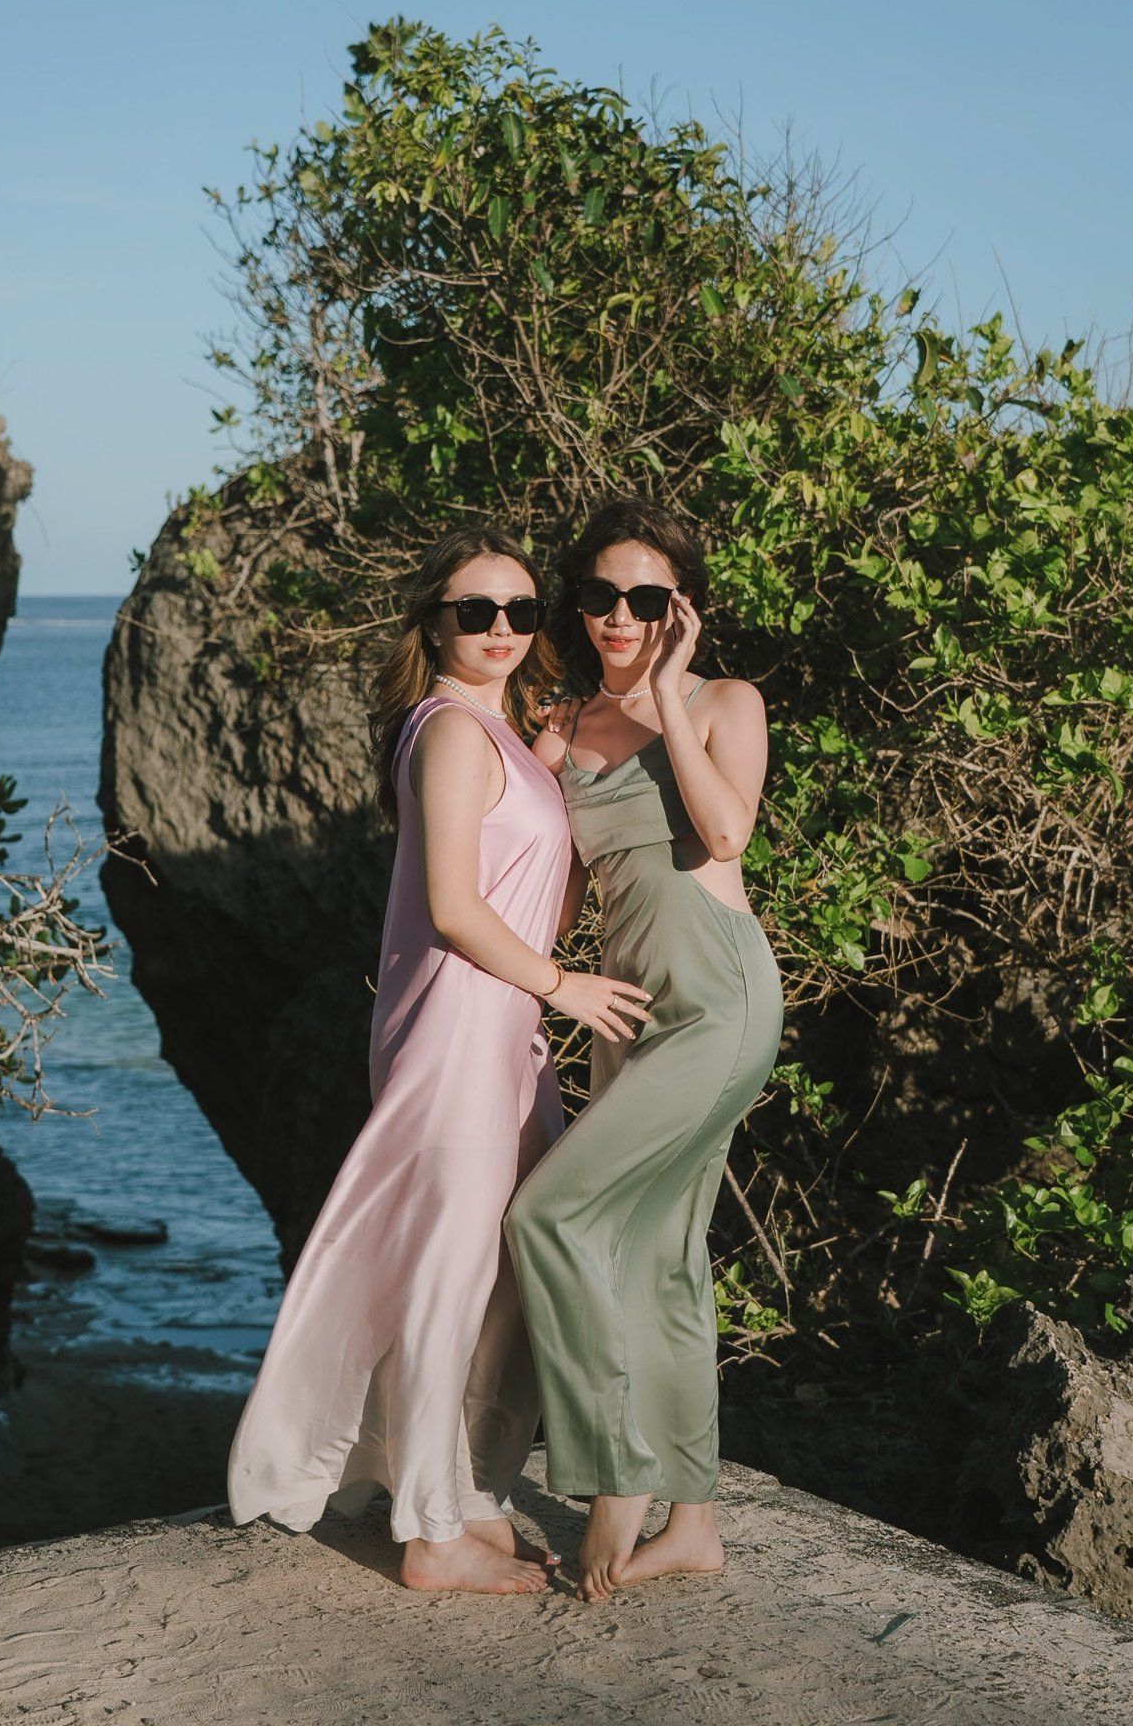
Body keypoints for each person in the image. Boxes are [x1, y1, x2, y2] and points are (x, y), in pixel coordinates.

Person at [226, 526, 650, 1594]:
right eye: (477, 613)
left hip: (502, 1027)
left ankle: (462, 1492)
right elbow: (458, 909)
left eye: (520, 612)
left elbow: (538, 905)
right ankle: (428, 1532)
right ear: (435, 626)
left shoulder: (505, 738)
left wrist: (550, 774)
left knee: (503, 1272)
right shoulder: (452, 732)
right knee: (450, 1275)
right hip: (457, 1030)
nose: (503, 631)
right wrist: (567, 991)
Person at [504, 496, 783, 1602]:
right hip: (625, 1008)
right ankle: (695, 1521)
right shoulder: (559, 730)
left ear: (682, 607)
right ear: (576, 608)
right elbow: (547, 897)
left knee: (552, 1215)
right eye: (599, 597)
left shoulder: (724, 702)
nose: (619, 615)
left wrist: (667, 697)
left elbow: (725, 835)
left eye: (645, 598)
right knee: (663, 1255)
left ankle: (616, 1472)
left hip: (717, 1001)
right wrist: (520, 995)